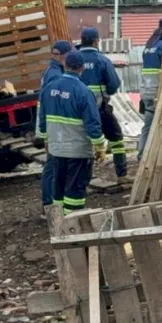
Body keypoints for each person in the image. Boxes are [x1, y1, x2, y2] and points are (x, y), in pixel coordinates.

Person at [38, 51, 106, 212]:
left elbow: (42, 119)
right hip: (78, 151)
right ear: (82, 68)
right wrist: (100, 146)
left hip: (56, 148)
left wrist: (46, 139)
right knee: (75, 191)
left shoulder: (49, 89)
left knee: (59, 189)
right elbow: (92, 123)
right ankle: (72, 224)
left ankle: (58, 222)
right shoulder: (83, 91)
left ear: (65, 65)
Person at [77, 28, 128, 181]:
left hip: (77, 111)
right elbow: (113, 85)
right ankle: (122, 174)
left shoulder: (73, 59)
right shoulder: (102, 60)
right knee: (116, 138)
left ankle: (85, 178)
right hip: (100, 109)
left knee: (83, 144)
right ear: (96, 41)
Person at [39, 41, 73, 209]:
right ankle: (49, 204)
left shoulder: (52, 71)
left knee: (54, 163)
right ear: (63, 56)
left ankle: (50, 202)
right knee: (53, 165)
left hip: (52, 125)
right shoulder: (56, 75)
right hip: (55, 127)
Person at [136, 19, 162, 159]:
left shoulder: (149, 46)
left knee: (148, 124)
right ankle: (157, 155)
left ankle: (142, 154)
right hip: (159, 91)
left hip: (146, 91)